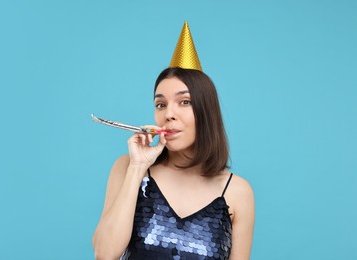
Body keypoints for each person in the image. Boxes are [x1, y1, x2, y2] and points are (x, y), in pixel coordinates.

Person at [92, 22, 255, 260]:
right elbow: (104, 254)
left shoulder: (238, 192)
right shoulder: (128, 168)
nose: (169, 113)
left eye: (184, 102)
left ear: (206, 111)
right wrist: (137, 167)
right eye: (160, 104)